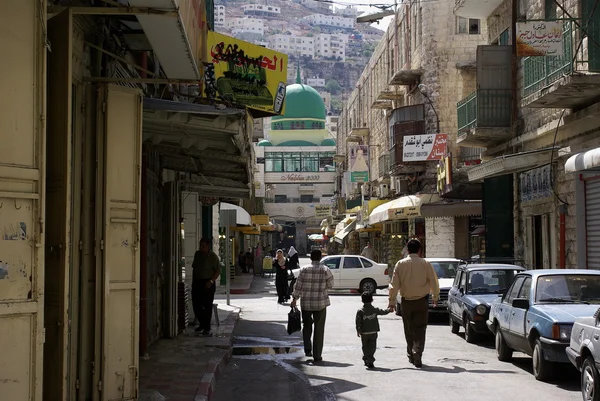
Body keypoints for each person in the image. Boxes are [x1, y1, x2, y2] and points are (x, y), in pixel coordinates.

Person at [388, 239, 439, 368]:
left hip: (406, 302)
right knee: (420, 329)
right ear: (420, 250)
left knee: (408, 328)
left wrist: (392, 301)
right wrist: (435, 296)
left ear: (407, 250)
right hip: (421, 301)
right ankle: (417, 353)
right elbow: (433, 280)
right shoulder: (425, 263)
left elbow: (394, 285)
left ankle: (411, 353)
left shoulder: (400, 264)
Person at [291, 250, 334, 363]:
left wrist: (294, 299)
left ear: (310, 258)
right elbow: (331, 284)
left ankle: (307, 349)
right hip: (320, 304)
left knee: (307, 326)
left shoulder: (304, 270)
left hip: (306, 303)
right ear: (320, 258)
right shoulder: (325, 270)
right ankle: (317, 355)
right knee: (319, 330)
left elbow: (298, 286)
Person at [191, 238, 221, 336]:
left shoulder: (213, 257)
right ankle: (202, 323)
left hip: (208, 283)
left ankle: (206, 327)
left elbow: (217, 271)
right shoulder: (197, 254)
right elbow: (194, 268)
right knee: (196, 305)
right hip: (197, 282)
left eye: (203, 246)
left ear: (208, 246)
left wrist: (211, 281)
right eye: (200, 246)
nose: (201, 248)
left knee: (207, 306)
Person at [356, 291, 390, 369]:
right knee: (372, 347)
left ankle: (366, 358)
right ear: (372, 300)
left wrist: (358, 330)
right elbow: (383, 312)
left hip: (364, 333)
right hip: (373, 332)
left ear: (362, 300)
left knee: (365, 346)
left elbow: (358, 322)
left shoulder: (360, 311)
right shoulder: (374, 309)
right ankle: (370, 360)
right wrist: (389, 310)